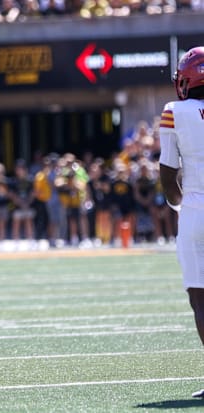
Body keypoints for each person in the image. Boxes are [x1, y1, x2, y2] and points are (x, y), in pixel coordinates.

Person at [158, 46, 204, 399]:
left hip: (196, 208)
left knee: (200, 298)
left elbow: (168, 171)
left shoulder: (175, 111)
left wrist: (178, 204)